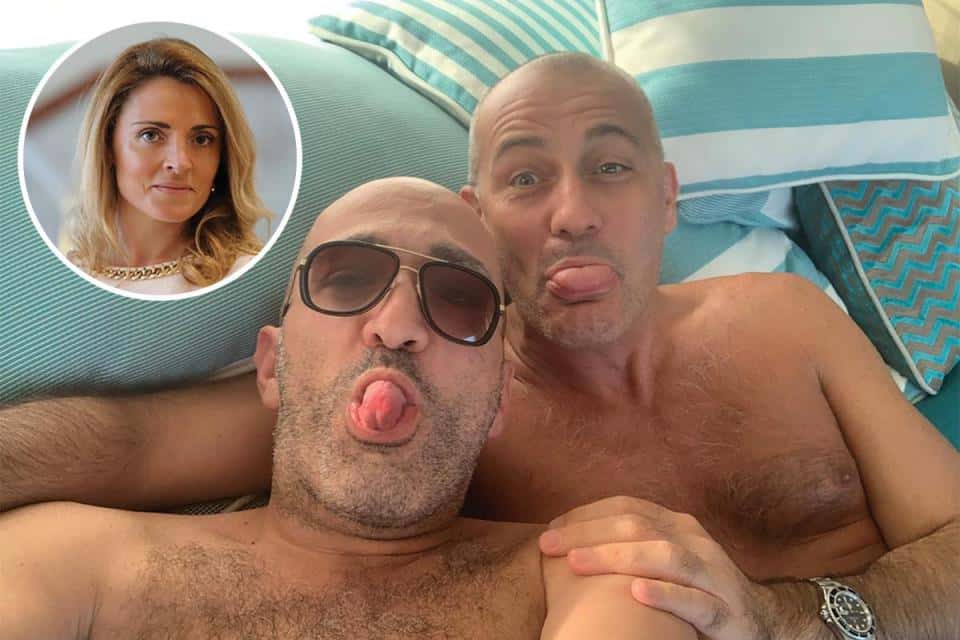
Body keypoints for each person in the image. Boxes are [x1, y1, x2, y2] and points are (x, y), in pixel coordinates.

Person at [2, 53, 958, 639]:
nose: (573, 214)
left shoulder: (784, 321)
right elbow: (135, 445)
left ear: (667, 196)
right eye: (526, 178)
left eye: (611, 167)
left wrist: (794, 621)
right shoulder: (443, 399)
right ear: (480, 217)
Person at [0, 177, 695, 639]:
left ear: (499, 401)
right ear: (270, 366)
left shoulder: (597, 575)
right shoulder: (70, 559)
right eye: (349, 279)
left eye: (458, 298)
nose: (397, 325)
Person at [66, 37, 270, 294]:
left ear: (223, 157)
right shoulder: (64, 272)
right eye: (151, 135)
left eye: (202, 139)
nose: (179, 163)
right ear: (107, 145)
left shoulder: (247, 276)